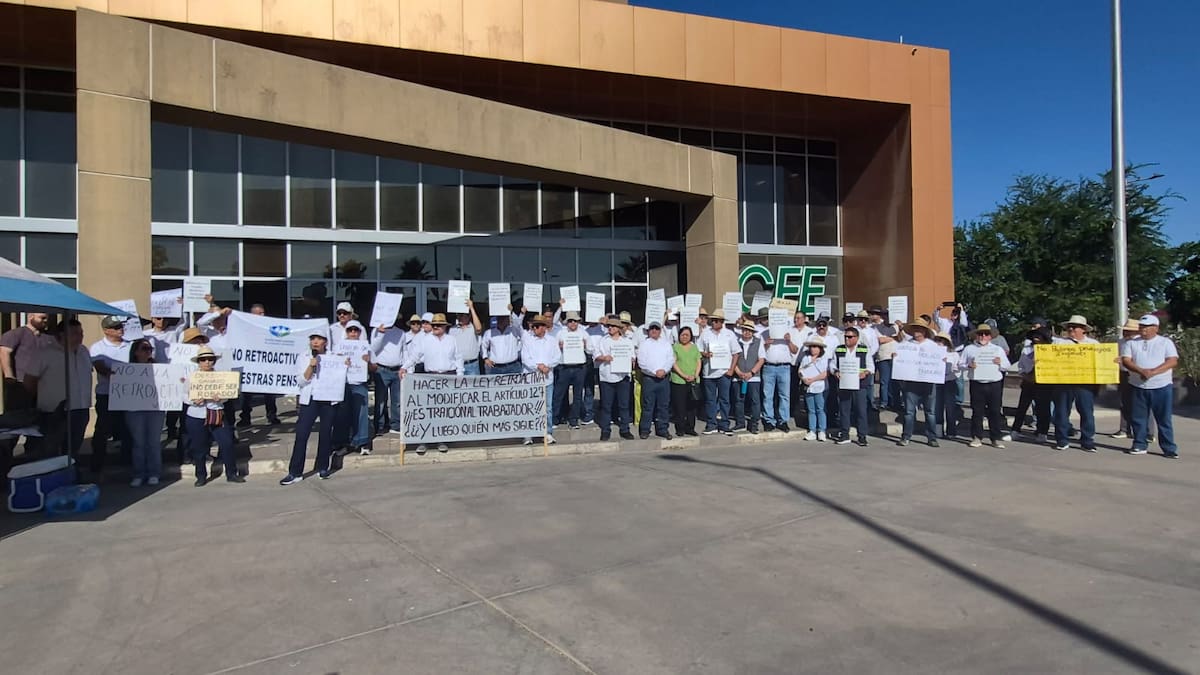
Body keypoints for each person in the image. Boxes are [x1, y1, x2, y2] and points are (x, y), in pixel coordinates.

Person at [22, 319, 92, 459]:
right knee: (51, 449)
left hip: (81, 408)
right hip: (54, 411)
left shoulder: (84, 351)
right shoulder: (44, 353)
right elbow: (29, 380)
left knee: (73, 448)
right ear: (62, 334)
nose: (79, 337)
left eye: (81, 333)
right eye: (74, 333)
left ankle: (71, 470)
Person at [281, 332, 342, 485]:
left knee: (325, 433)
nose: (315, 342)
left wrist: (344, 365)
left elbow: (339, 377)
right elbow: (301, 381)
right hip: (310, 399)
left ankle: (323, 467)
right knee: (302, 434)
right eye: (313, 339)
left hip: (328, 399)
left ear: (325, 342)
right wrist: (311, 365)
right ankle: (295, 472)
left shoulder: (333, 356)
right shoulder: (304, 356)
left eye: (319, 339)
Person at [400, 314, 462, 454]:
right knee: (428, 410)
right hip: (430, 377)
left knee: (444, 411)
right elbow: (414, 356)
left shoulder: (452, 340)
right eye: (434, 325)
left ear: (445, 326)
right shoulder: (425, 340)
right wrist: (404, 367)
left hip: (448, 376)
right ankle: (424, 441)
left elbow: (458, 358)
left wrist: (460, 375)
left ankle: (442, 440)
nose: (435, 327)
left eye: (438, 325)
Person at [185, 346, 244, 486]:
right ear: (198, 362)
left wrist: (221, 398)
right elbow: (183, 396)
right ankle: (201, 475)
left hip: (217, 413)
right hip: (197, 415)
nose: (207, 362)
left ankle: (232, 473)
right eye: (203, 359)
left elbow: (228, 394)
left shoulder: (221, 377)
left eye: (210, 359)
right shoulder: (191, 377)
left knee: (227, 443)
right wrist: (193, 400)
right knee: (199, 447)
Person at [1121, 314, 1178, 458]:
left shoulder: (1165, 342)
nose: (1143, 329)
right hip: (1137, 385)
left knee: (1163, 419)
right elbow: (1126, 360)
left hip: (1161, 386)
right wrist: (1141, 371)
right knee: (1138, 418)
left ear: (1156, 328)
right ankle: (1139, 444)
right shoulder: (1131, 343)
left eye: (1147, 327)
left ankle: (1169, 448)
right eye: (1141, 326)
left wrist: (1153, 372)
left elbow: (1172, 361)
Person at [89, 315, 131, 476]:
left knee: (128, 429)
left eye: (121, 326)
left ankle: (127, 461)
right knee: (102, 429)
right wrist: (124, 376)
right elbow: (101, 369)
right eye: (116, 327)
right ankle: (97, 464)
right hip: (106, 394)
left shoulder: (130, 345)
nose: (120, 329)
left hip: (128, 395)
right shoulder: (97, 347)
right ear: (106, 330)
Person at [122, 339, 166, 486]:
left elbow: (168, 386)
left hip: (155, 409)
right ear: (136, 352)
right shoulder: (126, 370)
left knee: (153, 442)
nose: (148, 351)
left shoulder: (159, 369)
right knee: (138, 442)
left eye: (150, 349)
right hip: (134, 410)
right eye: (144, 348)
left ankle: (154, 473)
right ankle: (139, 473)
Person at [1053, 315, 1099, 452]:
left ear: (1083, 329)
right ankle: (1062, 440)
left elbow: (1101, 360)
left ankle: (1087, 441)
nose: (1071, 329)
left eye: (1074, 327)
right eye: (1069, 327)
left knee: (1086, 412)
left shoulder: (1094, 344)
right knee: (1061, 412)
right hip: (1064, 382)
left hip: (1085, 383)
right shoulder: (1059, 343)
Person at [962, 323, 1011, 448]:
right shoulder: (969, 349)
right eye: (980, 334)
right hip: (977, 383)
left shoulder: (997, 349)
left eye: (986, 334)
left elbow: (1007, 366)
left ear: (990, 336)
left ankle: (995, 438)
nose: (983, 336)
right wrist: (968, 365)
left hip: (994, 383)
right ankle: (977, 437)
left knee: (994, 411)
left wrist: (1000, 363)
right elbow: (960, 364)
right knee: (977, 411)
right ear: (976, 336)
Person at [897, 319, 941, 447]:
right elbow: (901, 360)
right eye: (914, 328)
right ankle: (906, 436)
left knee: (930, 412)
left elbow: (938, 361)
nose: (916, 331)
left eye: (919, 328)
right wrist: (897, 358)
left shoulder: (933, 346)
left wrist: (941, 361)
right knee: (909, 412)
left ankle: (932, 437)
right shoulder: (906, 345)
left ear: (924, 331)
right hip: (911, 383)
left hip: (928, 382)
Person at [236, 303, 281, 428]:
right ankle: (245, 417)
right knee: (247, 393)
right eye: (259, 313)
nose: (262, 315)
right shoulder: (245, 328)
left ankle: (272, 416)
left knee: (269, 392)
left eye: (263, 312)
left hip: (266, 364)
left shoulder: (269, 327)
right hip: (250, 364)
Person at [520, 313, 561, 445]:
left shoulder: (552, 340)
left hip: (547, 379)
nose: (534, 328)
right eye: (534, 326)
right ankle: (528, 434)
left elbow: (557, 357)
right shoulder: (528, 340)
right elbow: (525, 358)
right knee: (529, 407)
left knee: (547, 408)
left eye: (537, 326)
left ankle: (547, 433)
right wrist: (538, 366)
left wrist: (548, 366)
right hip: (531, 379)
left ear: (544, 327)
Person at [697, 310, 739, 437]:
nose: (713, 322)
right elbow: (698, 350)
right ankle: (711, 424)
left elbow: (736, 353)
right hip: (709, 372)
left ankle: (724, 425)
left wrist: (731, 369)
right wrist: (705, 354)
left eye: (716, 320)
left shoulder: (729, 334)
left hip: (724, 372)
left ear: (722, 322)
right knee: (710, 400)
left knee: (724, 399)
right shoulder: (705, 333)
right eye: (712, 320)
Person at [593, 316, 635, 441]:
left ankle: (625, 429)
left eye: (613, 326)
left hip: (623, 376)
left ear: (618, 328)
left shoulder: (627, 341)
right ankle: (606, 430)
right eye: (609, 326)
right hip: (607, 377)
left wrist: (631, 361)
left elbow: (632, 356)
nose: (610, 328)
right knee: (606, 405)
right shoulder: (603, 340)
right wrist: (604, 358)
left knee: (624, 405)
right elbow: (596, 355)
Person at [334, 320, 373, 455]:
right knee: (343, 414)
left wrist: (368, 361)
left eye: (356, 330)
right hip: (343, 384)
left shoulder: (366, 346)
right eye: (350, 330)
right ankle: (342, 443)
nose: (353, 333)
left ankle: (362, 442)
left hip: (359, 383)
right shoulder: (339, 346)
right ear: (346, 332)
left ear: (360, 332)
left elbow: (374, 367)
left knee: (361, 414)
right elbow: (332, 364)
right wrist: (339, 359)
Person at [830, 326, 873, 446]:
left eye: (850, 337)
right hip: (844, 384)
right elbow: (832, 364)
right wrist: (835, 372)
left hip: (860, 385)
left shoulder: (864, 349)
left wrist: (865, 373)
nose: (847, 339)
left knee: (861, 411)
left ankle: (862, 436)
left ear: (856, 338)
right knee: (844, 410)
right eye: (845, 337)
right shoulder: (839, 349)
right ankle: (844, 434)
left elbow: (870, 366)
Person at [637, 319, 675, 440]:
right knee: (648, 406)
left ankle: (662, 429)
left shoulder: (666, 344)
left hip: (663, 378)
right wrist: (655, 372)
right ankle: (645, 429)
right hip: (649, 379)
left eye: (656, 328)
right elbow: (642, 363)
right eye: (652, 328)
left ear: (660, 331)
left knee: (663, 406)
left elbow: (671, 359)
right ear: (648, 330)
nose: (654, 330)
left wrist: (664, 370)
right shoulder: (644, 344)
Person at [761, 309, 798, 433]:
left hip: (784, 367)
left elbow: (795, 350)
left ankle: (783, 420)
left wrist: (789, 341)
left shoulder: (789, 332)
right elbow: (759, 352)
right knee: (768, 395)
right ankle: (768, 420)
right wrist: (766, 344)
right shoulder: (764, 333)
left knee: (784, 395)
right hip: (769, 367)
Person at [370, 317, 408, 436]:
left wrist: (405, 367)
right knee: (381, 400)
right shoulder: (376, 330)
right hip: (382, 369)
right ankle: (380, 426)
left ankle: (396, 425)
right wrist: (381, 334)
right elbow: (373, 349)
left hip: (397, 370)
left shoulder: (401, 332)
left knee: (397, 401)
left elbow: (404, 351)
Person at [555, 311, 590, 430]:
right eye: (570, 321)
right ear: (567, 322)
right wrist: (559, 347)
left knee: (578, 395)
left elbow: (590, 350)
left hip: (579, 367)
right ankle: (555, 418)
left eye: (575, 321)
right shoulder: (561, 333)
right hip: (564, 367)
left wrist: (585, 346)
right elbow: (553, 349)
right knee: (559, 394)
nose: (573, 323)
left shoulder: (583, 333)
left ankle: (574, 419)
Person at [732, 319, 765, 434]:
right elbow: (732, 359)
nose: (747, 332)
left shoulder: (758, 342)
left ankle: (754, 424)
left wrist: (751, 373)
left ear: (753, 332)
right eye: (745, 330)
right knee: (738, 400)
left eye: (749, 330)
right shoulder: (736, 342)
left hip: (753, 377)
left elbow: (761, 359)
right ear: (742, 330)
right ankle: (740, 423)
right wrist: (738, 372)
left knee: (755, 401)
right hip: (738, 376)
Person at [670, 326, 702, 437]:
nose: (684, 337)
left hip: (693, 381)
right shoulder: (675, 347)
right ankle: (680, 428)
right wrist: (683, 375)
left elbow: (698, 362)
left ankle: (690, 428)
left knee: (692, 406)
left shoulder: (694, 347)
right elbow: (673, 363)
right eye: (682, 335)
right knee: (680, 406)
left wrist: (695, 375)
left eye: (687, 335)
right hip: (679, 381)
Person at [1112, 318, 1141, 438]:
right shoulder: (1120, 341)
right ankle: (1124, 429)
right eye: (1125, 330)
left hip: (1136, 373)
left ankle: (1146, 432)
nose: (1126, 332)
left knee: (1140, 403)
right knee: (1124, 402)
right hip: (1123, 373)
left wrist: (1126, 360)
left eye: (1129, 330)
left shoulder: (1140, 342)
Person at [798, 336, 830, 441]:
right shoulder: (805, 358)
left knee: (820, 409)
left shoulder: (824, 359)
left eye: (815, 347)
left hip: (819, 386)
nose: (812, 349)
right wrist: (804, 379)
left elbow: (825, 374)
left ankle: (821, 430)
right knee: (811, 410)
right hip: (808, 387)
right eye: (811, 347)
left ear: (820, 349)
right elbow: (800, 370)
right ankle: (812, 430)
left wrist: (813, 380)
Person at [931, 332, 960, 441]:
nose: (939, 343)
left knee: (950, 407)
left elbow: (958, 368)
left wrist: (951, 368)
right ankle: (938, 429)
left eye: (941, 340)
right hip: (936, 382)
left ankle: (951, 431)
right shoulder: (932, 353)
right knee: (937, 407)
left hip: (950, 382)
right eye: (937, 340)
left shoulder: (954, 354)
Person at [450, 300, 484, 375]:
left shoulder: (473, 327)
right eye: (458, 315)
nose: (459, 317)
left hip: (472, 365)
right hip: (457, 366)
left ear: (469, 316)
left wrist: (471, 308)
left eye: (462, 315)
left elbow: (479, 329)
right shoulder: (452, 329)